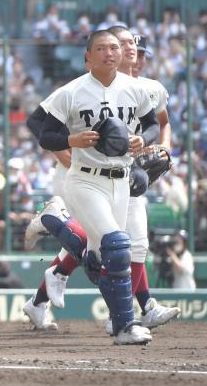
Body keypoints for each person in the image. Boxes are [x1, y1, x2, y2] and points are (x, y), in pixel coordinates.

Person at [34, 29, 160, 345]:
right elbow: (45, 134)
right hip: (86, 179)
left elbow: (153, 124)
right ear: (88, 56)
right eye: (101, 48)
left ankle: (60, 223)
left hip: (120, 181)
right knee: (119, 246)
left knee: (101, 263)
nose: (110, 52)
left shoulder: (135, 88)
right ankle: (124, 326)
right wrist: (70, 140)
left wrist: (144, 139)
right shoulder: (71, 92)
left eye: (114, 47)